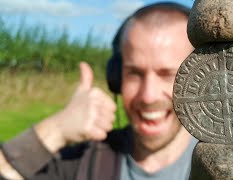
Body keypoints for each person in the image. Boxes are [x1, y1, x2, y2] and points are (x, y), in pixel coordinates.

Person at [0, 2, 196, 180]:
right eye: (134, 73)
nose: (148, 96)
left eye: (168, 74)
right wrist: (56, 130)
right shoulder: (81, 163)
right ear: (116, 77)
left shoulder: (222, 166)